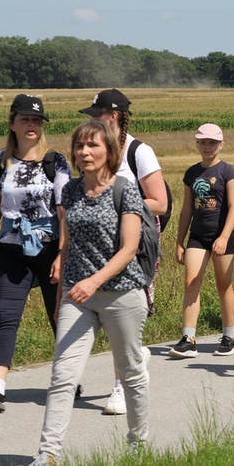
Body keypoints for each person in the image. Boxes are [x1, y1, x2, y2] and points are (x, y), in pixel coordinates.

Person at [30, 120, 149, 465]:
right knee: (63, 375)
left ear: (109, 150)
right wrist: (60, 299)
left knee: (130, 371)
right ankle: (48, 454)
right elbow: (67, 247)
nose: (84, 152)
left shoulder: (125, 189)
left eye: (93, 145)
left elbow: (129, 248)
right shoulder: (69, 191)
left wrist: (94, 281)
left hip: (122, 294)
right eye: (80, 146)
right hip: (76, 296)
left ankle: (138, 444)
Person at [0, 94, 71, 413]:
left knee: (60, 317)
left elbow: (65, 213)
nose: (32, 125)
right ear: (12, 123)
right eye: (25, 119)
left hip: (49, 246)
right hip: (12, 248)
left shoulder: (56, 163)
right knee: (5, 317)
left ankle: (68, 377)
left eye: (37, 120)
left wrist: (62, 256)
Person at [79, 89, 165, 415]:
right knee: (109, 317)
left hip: (137, 245)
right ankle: (133, 360)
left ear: (112, 116)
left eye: (95, 115)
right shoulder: (93, 152)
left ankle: (120, 387)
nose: (90, 121)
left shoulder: (139, 152)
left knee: (125, 315)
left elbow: (160, 201)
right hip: (99, 245)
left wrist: (118, 208)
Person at [169, 124, 234, 358]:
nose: (207, 147)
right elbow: (186, 209)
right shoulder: (192, 173)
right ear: (197, 144)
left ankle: (229, 337)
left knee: (223, 285)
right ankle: (188, 338)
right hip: (198, 236)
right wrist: (180, 241)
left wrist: (223, 237)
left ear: (221, 145)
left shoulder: (228, 172)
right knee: (191, 281)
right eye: (203, 142)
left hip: (222, 236)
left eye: (212, 143)